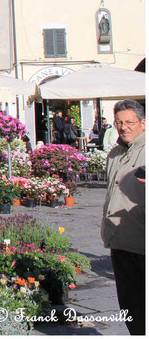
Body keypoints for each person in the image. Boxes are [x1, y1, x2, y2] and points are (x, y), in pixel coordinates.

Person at [101, 99, 145, 335]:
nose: (124, 127)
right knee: (130, 307)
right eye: (119, 122)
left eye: (130, 122)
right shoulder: (115, 153)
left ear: (144, 123)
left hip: (143, 241)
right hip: (119, 240)